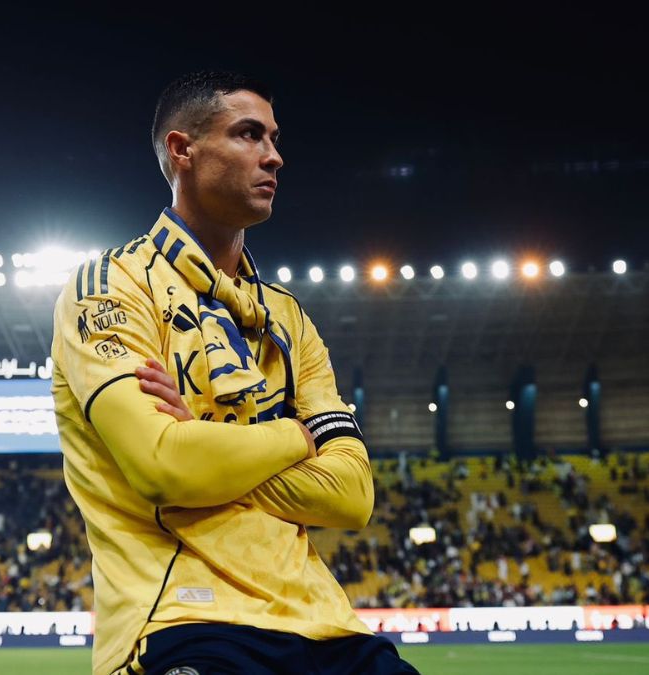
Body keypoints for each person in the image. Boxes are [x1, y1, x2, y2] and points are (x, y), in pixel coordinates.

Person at [51, 71, 419, 674]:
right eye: (249, 135)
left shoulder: (290, 318)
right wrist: (297, 437)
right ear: (182, 151)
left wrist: (204, 440)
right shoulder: (110, 287)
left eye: (273, 137)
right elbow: (164, 463)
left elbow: (353, 495)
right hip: (183, 620)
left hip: (328, 627)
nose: (275, 156)